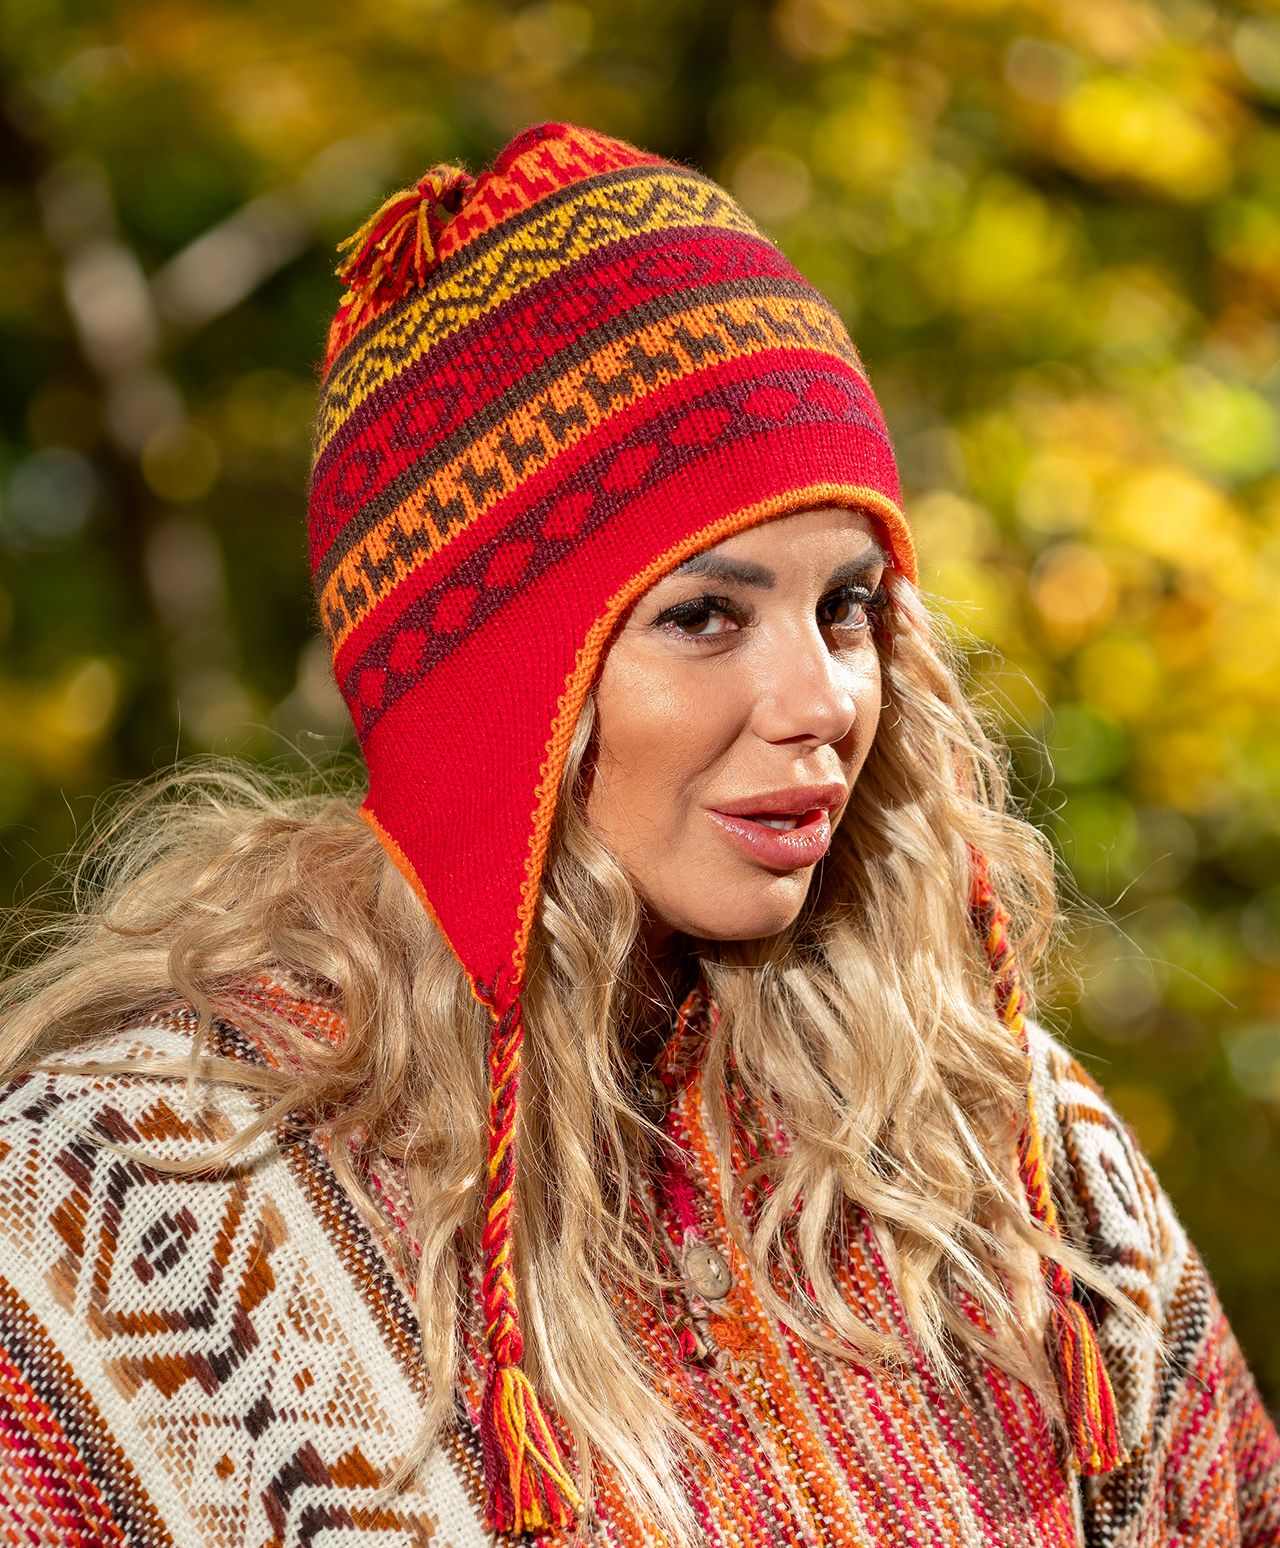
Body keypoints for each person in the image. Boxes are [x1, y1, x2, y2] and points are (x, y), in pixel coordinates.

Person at [0, 119, 1276, 1548]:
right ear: (492, 696)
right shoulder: (127, 1202)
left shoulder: (1003, 1151)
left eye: (847, 606)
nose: (823, 699)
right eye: (705, 615)